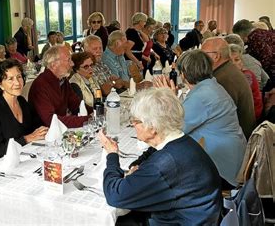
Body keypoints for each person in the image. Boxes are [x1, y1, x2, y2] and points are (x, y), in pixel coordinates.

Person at [98, 88, 222, 225]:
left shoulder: (164, 164)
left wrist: (112, 155)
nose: (132, 124)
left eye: (135, 121)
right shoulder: (181, 141)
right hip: (200, 217)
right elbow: (151, 153)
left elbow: (114, 195)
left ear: (152, 127)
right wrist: (136, 167)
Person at [153, 50, 247, 187]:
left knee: (162, 178)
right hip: (231, 159)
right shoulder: (211, 86)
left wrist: (168, 99)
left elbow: (171, 132)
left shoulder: (202, 96)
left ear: (183, 75)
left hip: (222, 170)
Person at [0, 59, 48, 159]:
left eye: (19, 77)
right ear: (0, 85)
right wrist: (27, 139)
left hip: (28, 156)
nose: (17, 83)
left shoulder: (22, 102)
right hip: (7, 163)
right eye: (10, 79)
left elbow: (38, 126)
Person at [201, 37, 256, 138]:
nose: (200, 58)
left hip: (235, 139)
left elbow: (213, 116)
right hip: (237, 134)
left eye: (203, 54)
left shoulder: (223, 79)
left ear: (216, 56)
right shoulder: (228, 70)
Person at [28, 45, 91, 128]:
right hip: (45, 136)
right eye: (69, 60)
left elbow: (76, 104)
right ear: (54, 65)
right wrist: (88, 119)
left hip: (60, 131)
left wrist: (97, 112)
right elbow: (51, 121)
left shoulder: (62, 80)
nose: (72, 64)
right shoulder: (40, 86)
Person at [229, 44, 263, 121]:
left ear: (242, 62)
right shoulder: (233, 75)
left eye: (237, 60)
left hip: (251, 115)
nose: (233, 63)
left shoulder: (247, 75)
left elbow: (239, 96)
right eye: (230, 61)